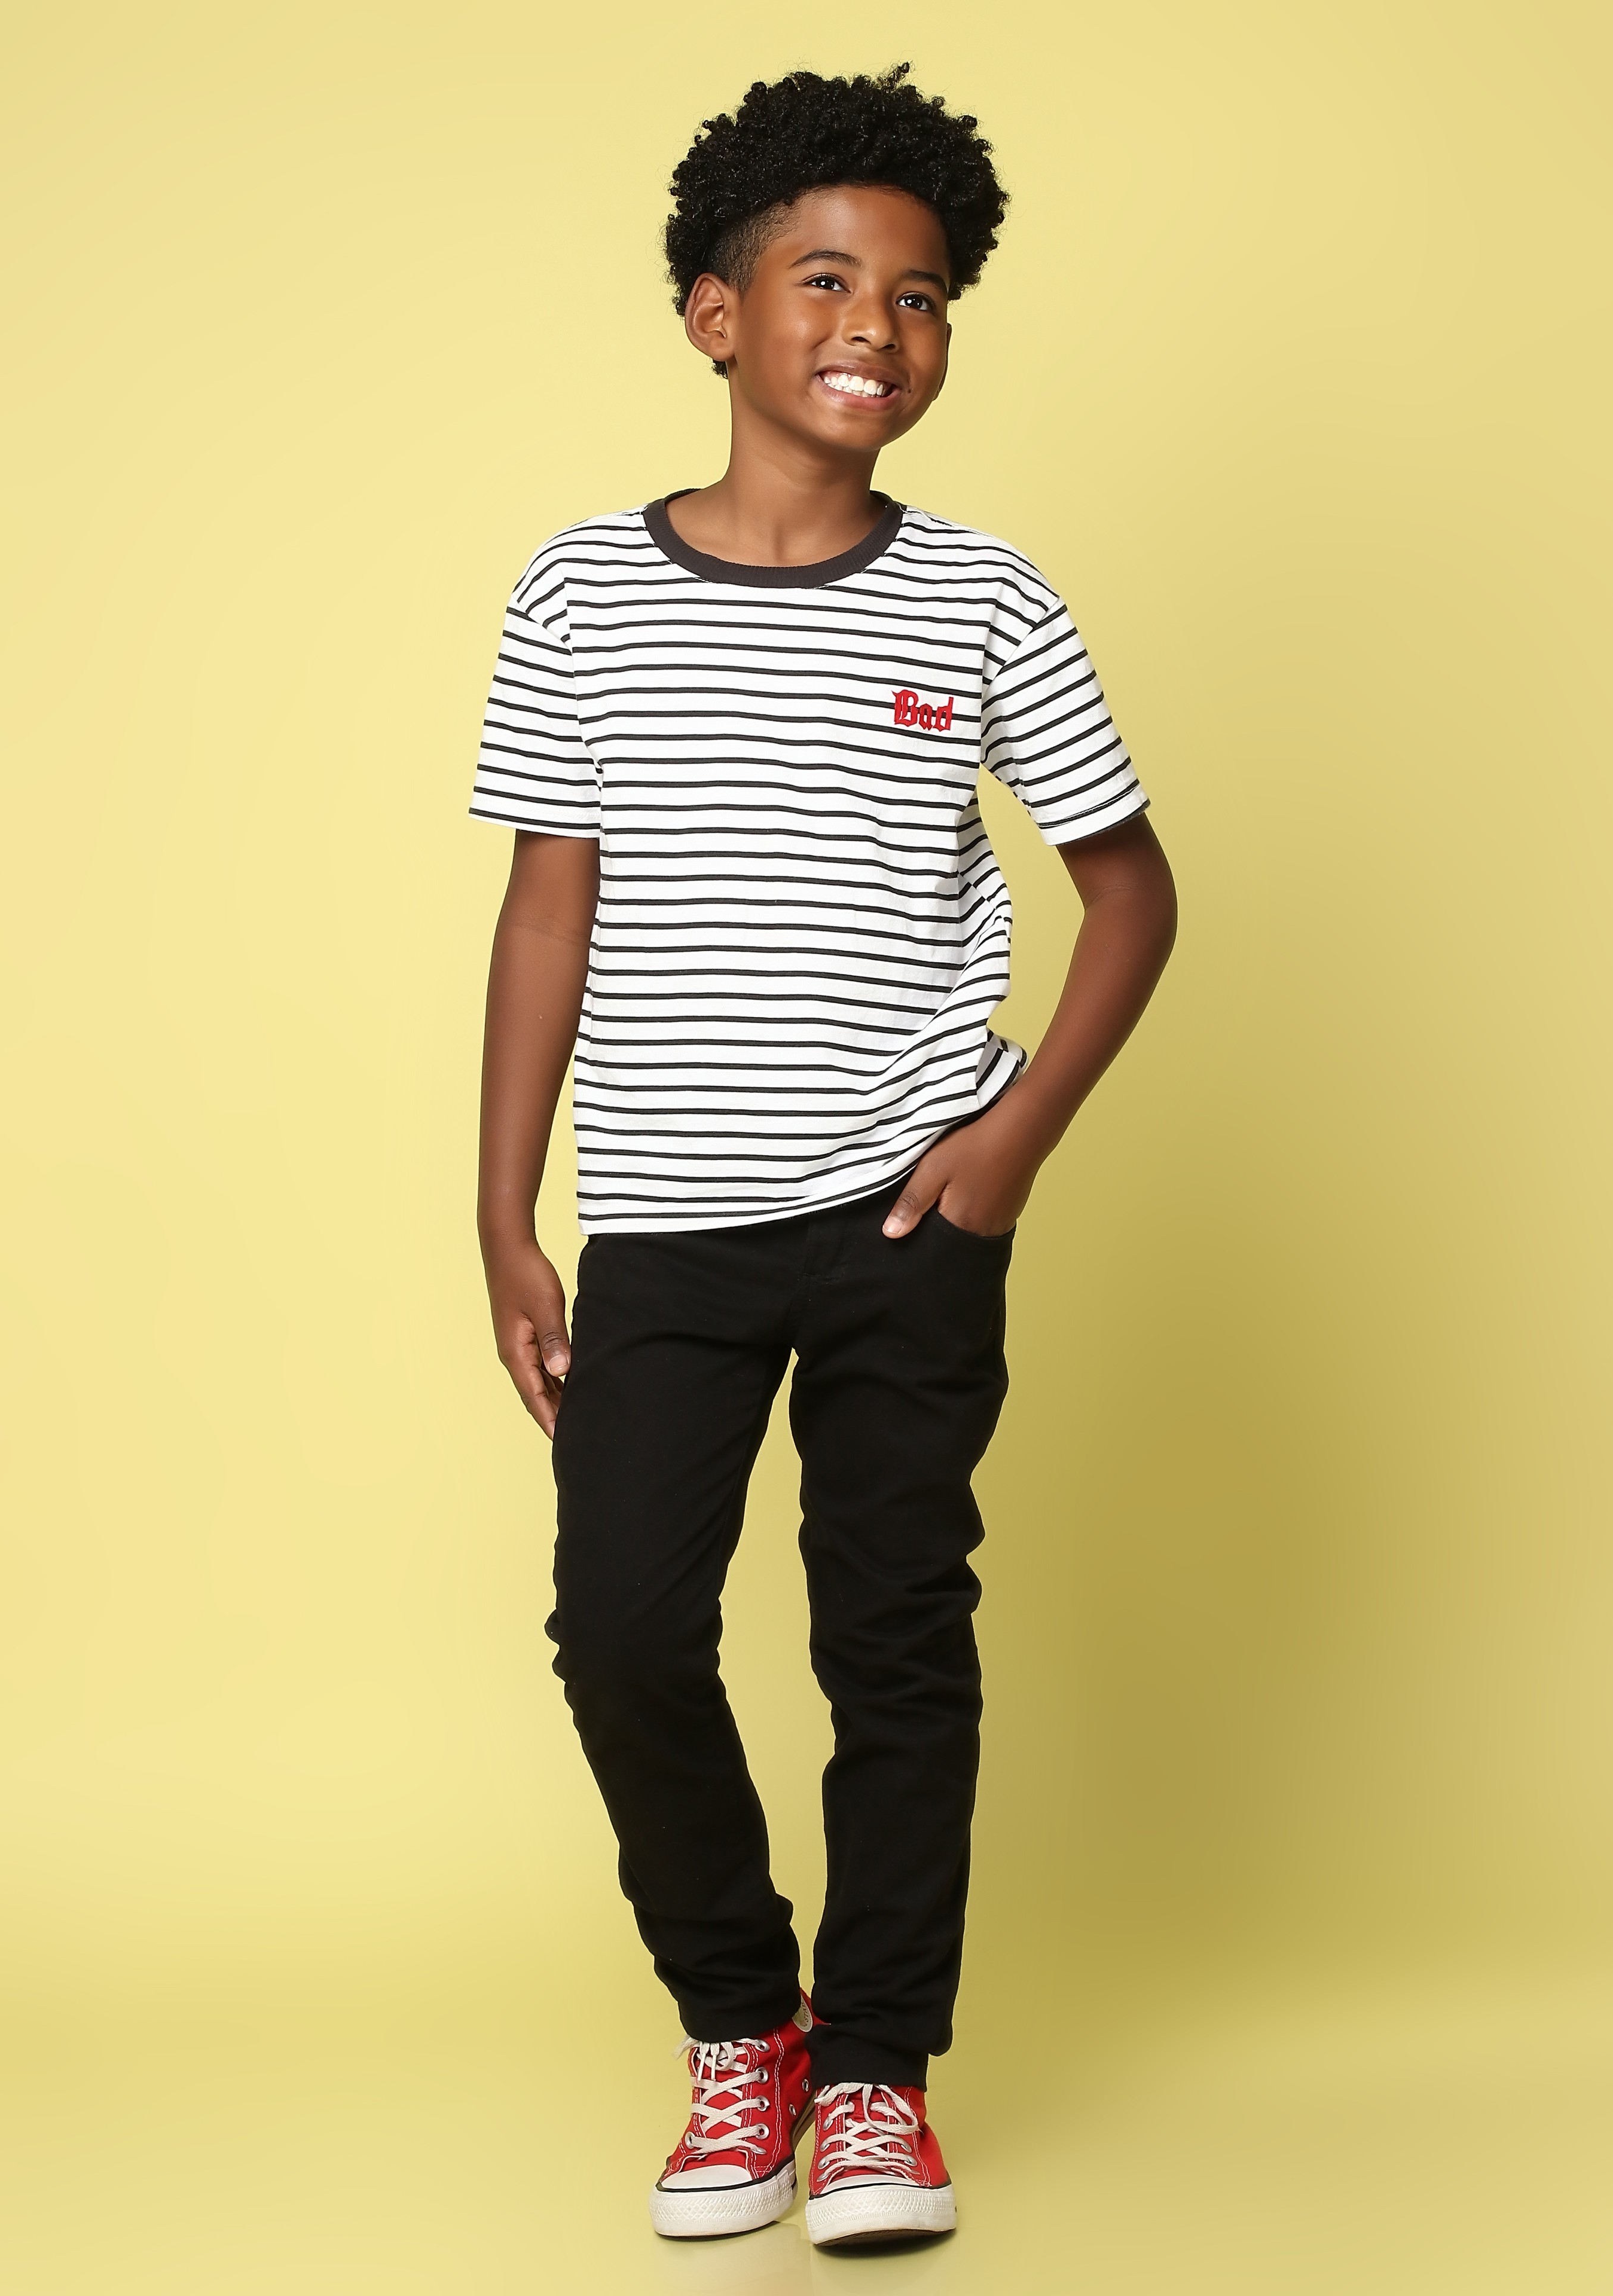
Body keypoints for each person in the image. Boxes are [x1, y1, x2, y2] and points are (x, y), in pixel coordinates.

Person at [471, 63, 1177, 2249]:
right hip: (667, 1225)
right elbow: (549, 909)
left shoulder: (982, 600)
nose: (878, 324)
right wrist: (502, 1214)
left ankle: (874, 2074)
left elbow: (1131, 893)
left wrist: (1013, 1140)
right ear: (715, 316)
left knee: (894, 1639)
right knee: (620, 1630)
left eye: (922, 294)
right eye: (826, 280)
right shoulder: (581, 594)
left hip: (904, 1216)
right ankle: (740, 2031)